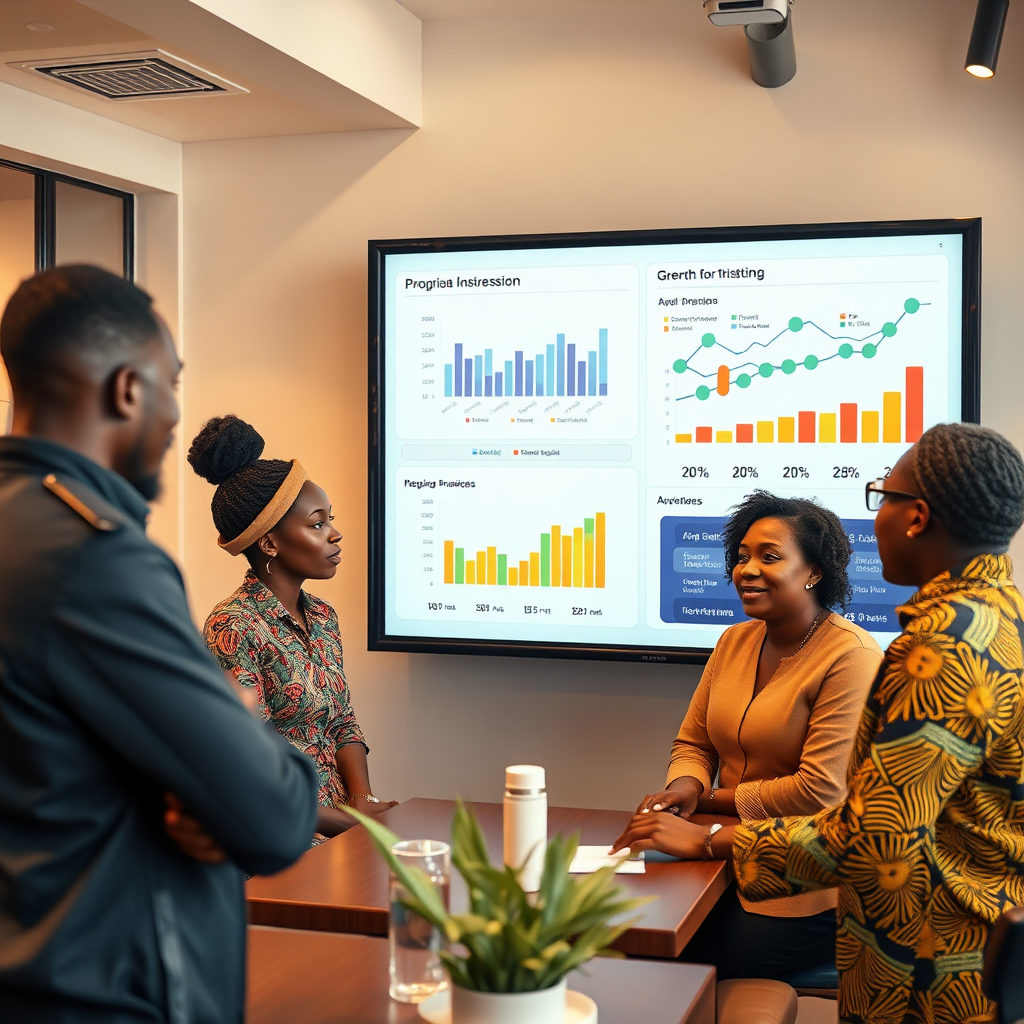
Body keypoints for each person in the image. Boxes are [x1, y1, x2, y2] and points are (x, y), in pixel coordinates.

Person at [614, 423, 1024, 1024]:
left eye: (881, 496)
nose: (877, 518)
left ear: (915, 517)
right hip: (963, 931)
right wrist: (693, 795)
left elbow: (873, 836)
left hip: (929, 955)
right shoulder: (996, 614)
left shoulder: (941, 649)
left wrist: (707, 838)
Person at [0, 266, 319, 1023]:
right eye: (171, 383)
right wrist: (235, 733)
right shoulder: (94, 559)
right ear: (127, 389)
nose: (177, 413)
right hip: (102, 993)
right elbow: (273, 816)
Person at [617, 491, 884, 979]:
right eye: (742, 557)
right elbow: (693, 743)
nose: (748, 569)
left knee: (672, 957)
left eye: (770, 556)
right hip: (722, 859)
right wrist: (684, 787)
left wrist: (709, 802)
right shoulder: (734, 640)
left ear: (814, 571)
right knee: (625, 925)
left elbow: (819, 792)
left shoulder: (852, 657)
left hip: (807, 884)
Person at [189, 414, 394, 835]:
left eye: (330, 520)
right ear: (270, 543)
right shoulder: (233, 626)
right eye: (318, 524)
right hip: (281, 832)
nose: (335, 534)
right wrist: (351, 825)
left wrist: (363, 800)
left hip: (341, 820)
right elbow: (249, 763)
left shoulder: (322, 616)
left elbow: (342, 721)